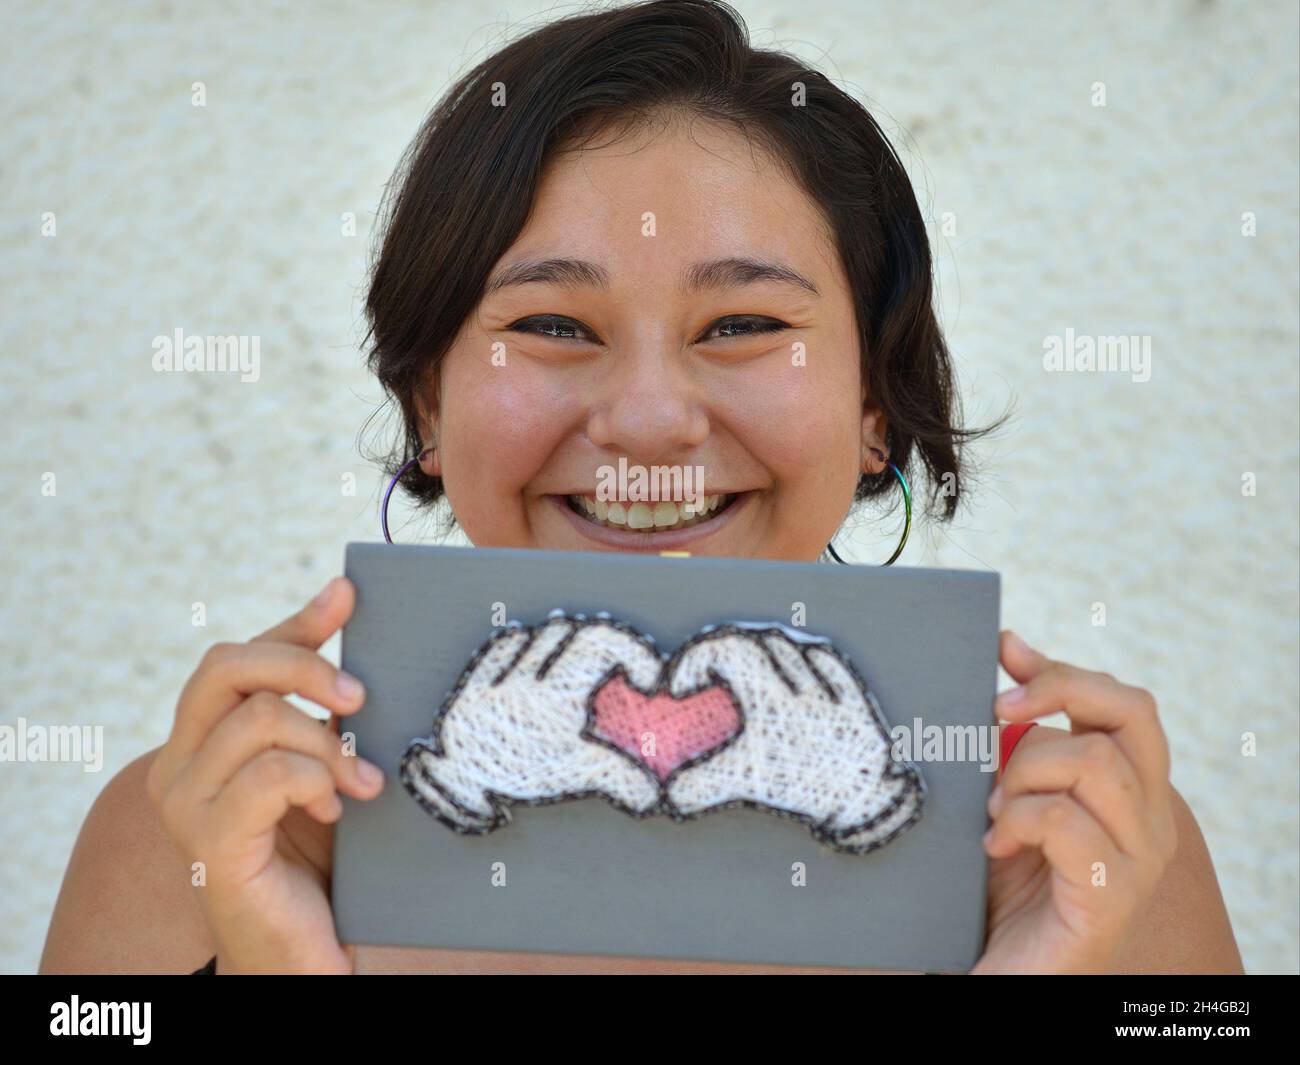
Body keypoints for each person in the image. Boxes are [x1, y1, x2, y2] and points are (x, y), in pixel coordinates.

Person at [40, 0, 1241, 975]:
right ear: (429, 407)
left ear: (876, 408)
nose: (651, 418)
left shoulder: (1080, 847)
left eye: (745, 323)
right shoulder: (206, 830)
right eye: (555, 323)